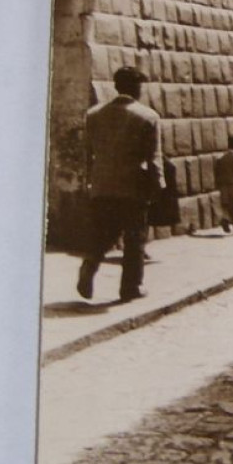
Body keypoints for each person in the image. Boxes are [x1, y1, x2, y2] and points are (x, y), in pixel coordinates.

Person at [77, 65, 161, 303]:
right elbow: (154, 157)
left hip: (102, 185)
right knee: (135, 239)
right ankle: (130, 287)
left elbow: (87, 153)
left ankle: (89, 265)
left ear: (116, 87)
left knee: (103, 233)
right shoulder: (148, 116)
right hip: (132, 187)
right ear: (136, 88)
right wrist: (157, 186)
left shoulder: (94, 114)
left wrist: (89, 182)